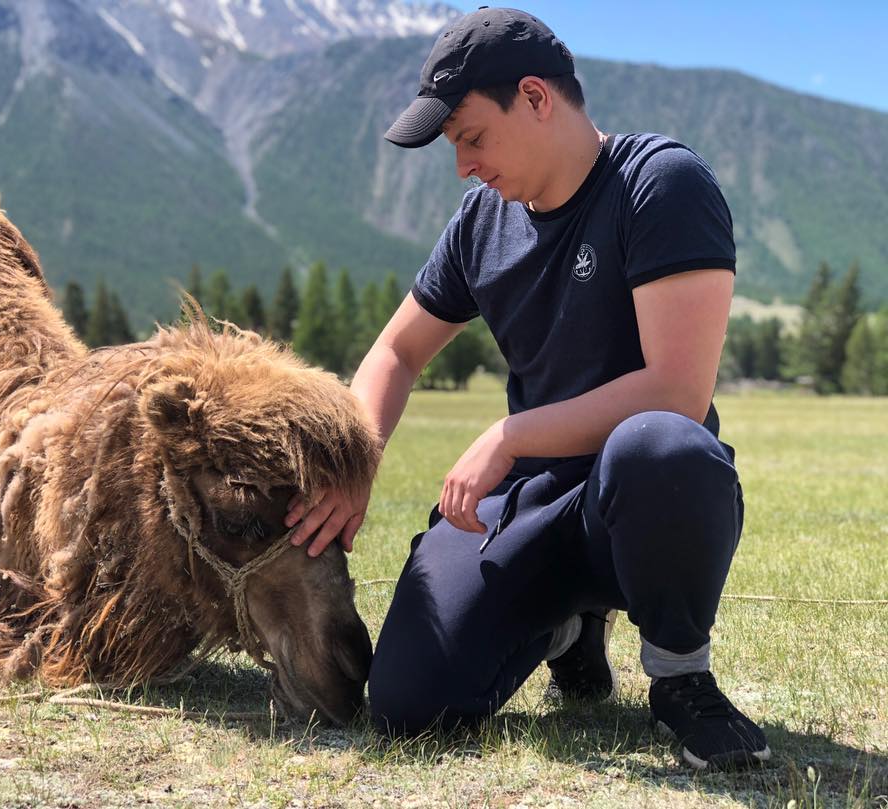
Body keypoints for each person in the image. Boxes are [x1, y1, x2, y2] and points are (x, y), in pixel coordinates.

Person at [283, 6, 770, 771]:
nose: (464, 166)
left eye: (472, 137)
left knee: (661, 445)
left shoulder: (660, 183)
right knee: (408, 702)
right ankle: (563, 629)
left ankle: (681, 677)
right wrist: (355, 462)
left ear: (537, 98)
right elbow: (397, 350)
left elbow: (675, 389)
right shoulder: (482, 221)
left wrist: (509, 436)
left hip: (636, 502)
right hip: (531, 507)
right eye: (454, 148)